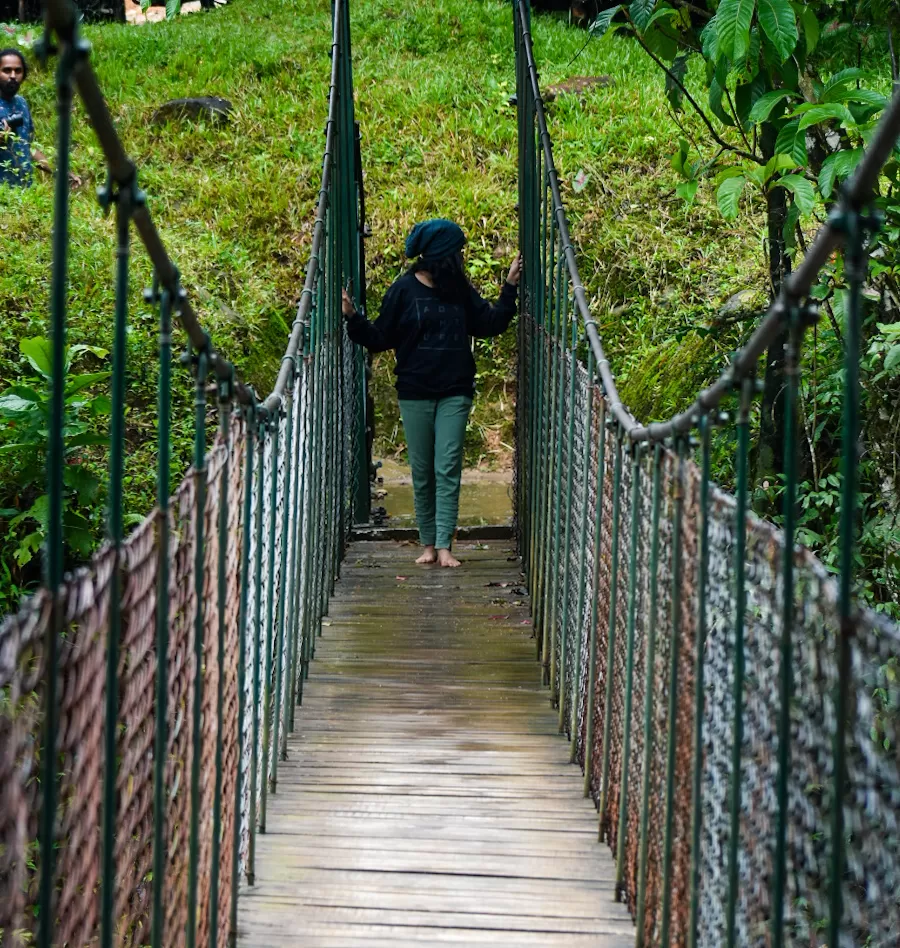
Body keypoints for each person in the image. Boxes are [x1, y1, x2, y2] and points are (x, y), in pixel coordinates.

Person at [342, 218, 520, 568]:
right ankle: (427, 544)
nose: (461, 259)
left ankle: (444, 547)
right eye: (457, 253)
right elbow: (380, 337)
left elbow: (489, 323)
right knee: (422, 472)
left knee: (448, 465)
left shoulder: (458, 288)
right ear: (443, 256)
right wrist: (353, 318)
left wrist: (509, 288)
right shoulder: (403, 290)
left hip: (455, 391)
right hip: (414, 393)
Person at [0, 47, 79, 188]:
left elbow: (27, 147)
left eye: (18, 71)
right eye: (7, 70)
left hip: (25, 195)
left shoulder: (21, 103)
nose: (13, 75)